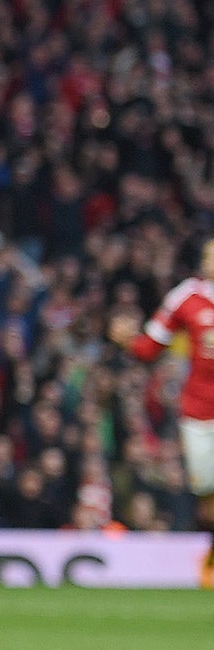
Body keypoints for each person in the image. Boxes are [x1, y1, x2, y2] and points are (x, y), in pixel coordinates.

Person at [109, 236, 214, 587]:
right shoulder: (186, 297)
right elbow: (151, 346)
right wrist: (127, 340)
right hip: (200, 411)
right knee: (206, 490)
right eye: (208, 255)